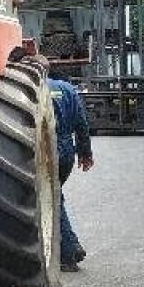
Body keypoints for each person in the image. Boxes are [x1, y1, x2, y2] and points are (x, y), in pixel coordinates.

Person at [48, 76, 93, 271]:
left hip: (46, 148)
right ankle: (71, 245)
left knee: (51, 198)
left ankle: (69, 253)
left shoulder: (30, 87)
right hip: (66, 150)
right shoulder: (67, 89)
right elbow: (81, 123)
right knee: (55, 195)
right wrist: (85, 153)